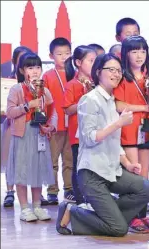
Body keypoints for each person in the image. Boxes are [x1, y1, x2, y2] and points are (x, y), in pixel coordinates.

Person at [56, 53, 149, 237]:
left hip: (112, 171)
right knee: (119, 229)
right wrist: (118, 123)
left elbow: (113, 142)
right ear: (98, 72)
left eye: (118, 70)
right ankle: (74, 212)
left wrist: (127, 164)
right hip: (92, 174)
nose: (116, 74)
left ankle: (108, 217)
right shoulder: (90, 100)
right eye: (111, 70)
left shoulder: (111, 101)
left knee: (147, 188)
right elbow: (89, 137)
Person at [113, 36, 149, 233]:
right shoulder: (122, 78)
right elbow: (118, 105)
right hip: (130, 131)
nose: (139, 55)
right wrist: (145, 107)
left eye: (142, 51)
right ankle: (132, 217)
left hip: (146, 131)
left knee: (146, 176)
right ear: (126, 54)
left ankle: (142, 215)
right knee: (135, 173)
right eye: (134, 51)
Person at [6, 52, 57, 221]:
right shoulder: (16, 89)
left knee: (38, 169)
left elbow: (53, 111)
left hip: (39, 135)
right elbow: (10, 112)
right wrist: (27, 106)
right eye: (30, 67)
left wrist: (51, 125)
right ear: (21, 70)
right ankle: (25, 208)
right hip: (22, 135)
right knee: (21, 170)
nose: (35, 71)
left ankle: (37, 206)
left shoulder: (45, 90)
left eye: (37, 67)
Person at [62, 45, 97, 208]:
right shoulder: (72, 84)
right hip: (78, 134)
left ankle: (94, 197)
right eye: (91, 61)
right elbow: (68, 109)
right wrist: (85, 99)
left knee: (94, 166)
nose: (94, 64)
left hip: (97, 132)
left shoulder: (98, 84)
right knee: (79, 166)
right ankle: (80, 198)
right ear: (78, 62)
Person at [42, 37, 73, 204]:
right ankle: (52, 190)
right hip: (55, 124)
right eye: (59, 54)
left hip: (73, 124)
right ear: (51, 55)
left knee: (69, 159)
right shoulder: (47, 76)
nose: (64, 57)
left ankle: (69, 188)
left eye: (67, 53)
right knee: (52, 159)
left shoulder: (75, 74)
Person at [2, 46, 33, 208]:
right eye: (21, 59)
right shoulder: (8, 81)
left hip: (31, 127)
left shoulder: (36, 84)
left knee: (30, 160)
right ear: (16, 62)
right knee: (11, 159)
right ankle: (9, 191)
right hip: (11, 125)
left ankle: (35, 191)